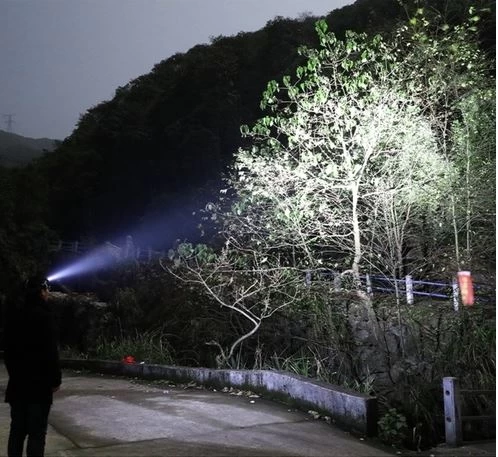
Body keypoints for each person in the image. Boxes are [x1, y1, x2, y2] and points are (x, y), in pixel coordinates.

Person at [4, 275, 61, 457]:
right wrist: (55, 380)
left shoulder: (14, 315)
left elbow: (8, 352)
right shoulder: (45, 317)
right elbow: (51, 353)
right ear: (41, 292)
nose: (48, 294)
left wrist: (14, 374)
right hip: (39, 387)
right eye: (47, 290)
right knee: (36, 433)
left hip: (17, 385)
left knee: (17, 431)